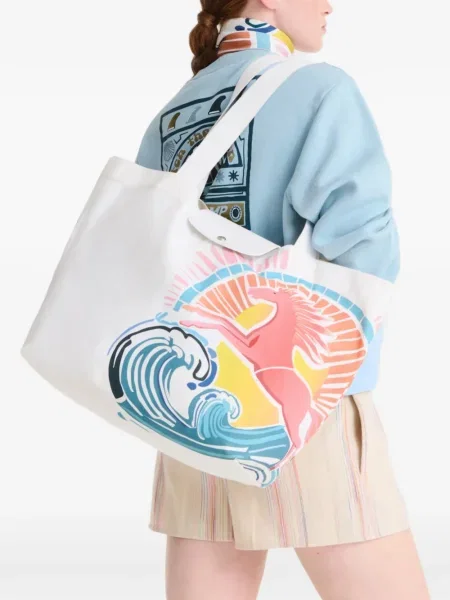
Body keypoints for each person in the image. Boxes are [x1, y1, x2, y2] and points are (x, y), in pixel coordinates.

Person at [135, 1, 430, 598]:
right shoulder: (319, 89)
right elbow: (365, 248)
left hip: (188, 404)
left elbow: (147, 251)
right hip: (301, 402)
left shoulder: (173, 112)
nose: (329, 4)